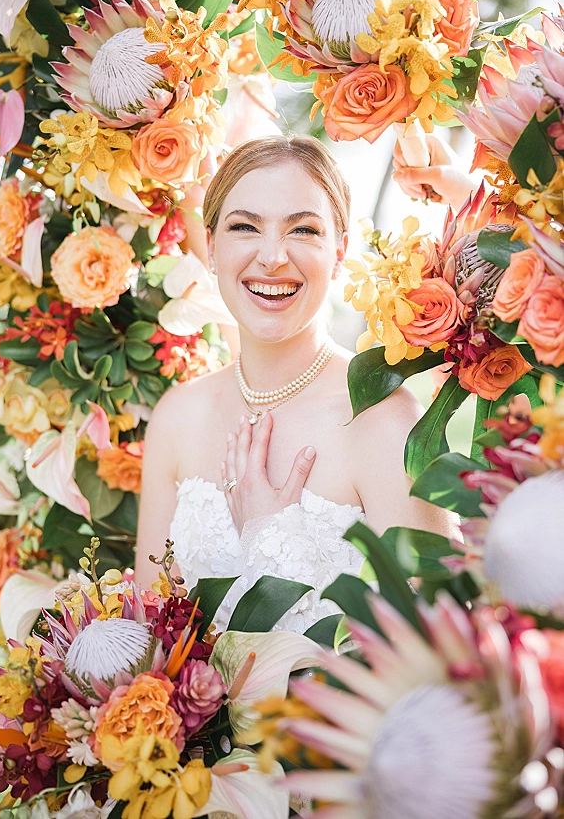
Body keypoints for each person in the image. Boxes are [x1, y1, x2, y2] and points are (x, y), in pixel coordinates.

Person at [136, 135, 457, 632]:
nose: (272, 257)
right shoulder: (177, 417)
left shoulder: (385, 423)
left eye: (303, 230)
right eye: (245, 226)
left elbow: (440, 646)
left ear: (339, 250)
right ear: (214, 245)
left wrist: (273, 539)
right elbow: (149, 639)